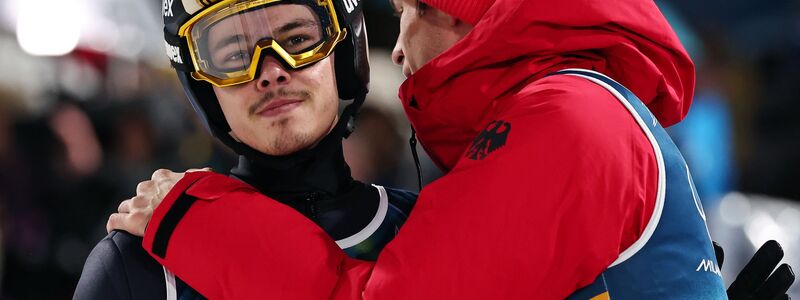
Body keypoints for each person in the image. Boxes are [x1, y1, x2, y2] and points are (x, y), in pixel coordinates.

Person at [110, 0, 793, 298]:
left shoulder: (567, 117)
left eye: (410, 9)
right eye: (231, 50)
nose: (400, 45)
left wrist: (193, 220)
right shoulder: (566, 111)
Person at [74, 0, 416, 299]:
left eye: (297, 40)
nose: (271, 71)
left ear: (343, 54)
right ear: (204, 89)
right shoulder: (136, 263)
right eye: (236, 55)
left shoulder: (424, 228)